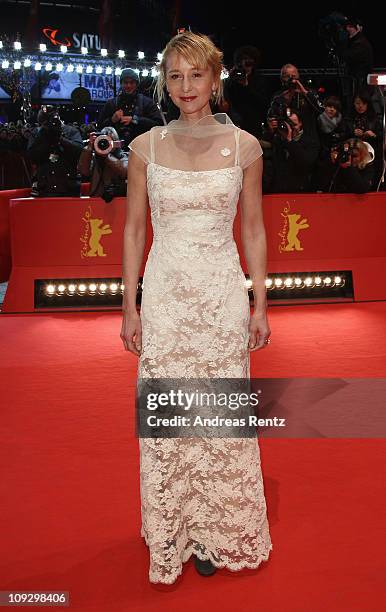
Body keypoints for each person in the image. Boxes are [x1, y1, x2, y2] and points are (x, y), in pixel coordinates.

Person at [120, 31, 273, 584]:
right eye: (176, 76)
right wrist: (130, 305)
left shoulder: (246, 147)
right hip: (164, 294)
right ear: (166, 81)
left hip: (218, 293)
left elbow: (253, 229)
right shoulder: (145, 147)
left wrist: (259, 301)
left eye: (197, 75)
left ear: (215, 78)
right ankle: (171, 527)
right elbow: (135, 231)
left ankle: (213, 529)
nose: (187, 86)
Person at [98, 68, 163, 149]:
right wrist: (112, 120)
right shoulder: (111, 104)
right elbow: (100, 127)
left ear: (136, 84)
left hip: (142, 149)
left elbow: (159, 125)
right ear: (121, 83)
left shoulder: (147, 102)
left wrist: (135, 120)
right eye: (125, 82)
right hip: (115, 151)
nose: (128, 85)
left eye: (132, 82)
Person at [27, 105, 83, 197]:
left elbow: (79, 151)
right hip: (45, 186)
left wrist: (60, 139)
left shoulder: (70, 131)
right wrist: (44, 136)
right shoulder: (37, 133)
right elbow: (32, 156)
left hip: (69, 186)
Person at [77, 126, 128, 201]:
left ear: (116, 142)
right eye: (103, 141)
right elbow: (83, 171)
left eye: (108, 141)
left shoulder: (124, 157)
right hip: (96, 201)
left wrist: (106, 156)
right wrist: (89, 148)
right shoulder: (94, 158)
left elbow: (125, 171)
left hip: (120, 202)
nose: (105, 144)